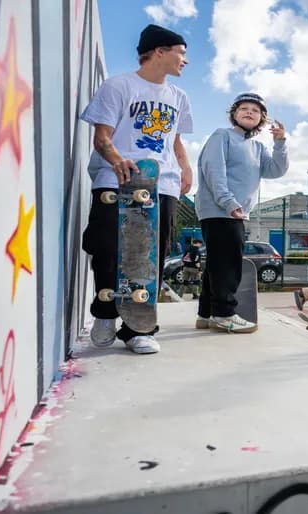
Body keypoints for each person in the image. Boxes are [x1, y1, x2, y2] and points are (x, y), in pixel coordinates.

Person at [80, 24, 194, 354]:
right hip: (118, 179)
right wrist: (116, 159)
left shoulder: (179, 97)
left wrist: (185, 167)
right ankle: (105, 312)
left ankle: (139, 328)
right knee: (108, 248)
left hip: (161, 182)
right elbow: (101, 137)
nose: (184, 60)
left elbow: (176, 141)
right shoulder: (119, 86)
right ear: (159, 51)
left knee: (150, 255)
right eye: (181, 53)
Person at [195, 92, 289, 333]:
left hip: (234, 211)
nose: (249, 112)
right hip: (220, 209)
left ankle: (206, 314)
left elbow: (276, 170)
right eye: (244, 108)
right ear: (234, 114)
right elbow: (213, 171)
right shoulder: (222, 136)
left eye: (255, 110)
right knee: (228, 264)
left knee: (217, 263)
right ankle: (224, 314)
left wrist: (280, 143)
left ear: (262, 119)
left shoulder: (257, 147)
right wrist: (228, 203)